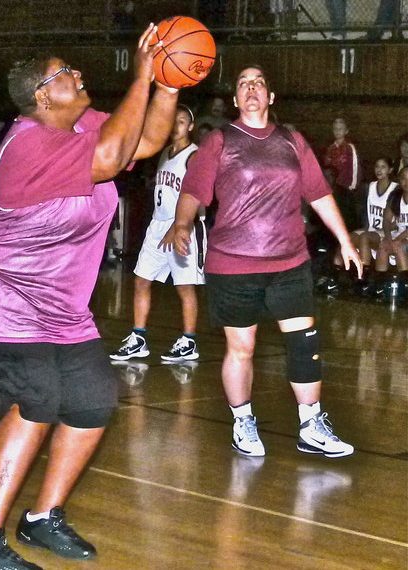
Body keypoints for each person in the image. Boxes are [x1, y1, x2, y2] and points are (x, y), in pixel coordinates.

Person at [0, 24, 179, 570]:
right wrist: (142, 71)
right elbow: (113, 156)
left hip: (58, 306)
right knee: (37, 399)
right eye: (66, 72)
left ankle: (43, 516)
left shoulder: (84, 125)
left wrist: (170, 82)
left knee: (93, 398)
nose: (78, 74)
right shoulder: (28, 144)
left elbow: (141, 142)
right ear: (42, 95)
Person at [161, 65, 360, 459]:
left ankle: (311, 424)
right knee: (242, 349)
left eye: (259, 83)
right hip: (234, 264)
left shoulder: (292, 140)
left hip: (289, 261)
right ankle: (242, 421)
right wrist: (182, 223)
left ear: (271, 97)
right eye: (243, 84)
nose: (251, 88)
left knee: (304, 343)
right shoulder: (219, 141)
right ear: (235, 100)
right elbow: (194, 190)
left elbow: (319, 193)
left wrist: (344, 239)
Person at [111, 104, 204, 363]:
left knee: (185, 287)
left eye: (182, 121)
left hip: (185, 225)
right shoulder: (164, 152)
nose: (176, 126)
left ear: (191, 127)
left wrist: (177, 226)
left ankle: (189, 341)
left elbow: (198, 195)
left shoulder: (194, 156)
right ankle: (138, 338)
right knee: (141, 280)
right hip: (158, 225)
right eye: (173, 121)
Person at [328, 156, 398, 295]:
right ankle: (333, 278)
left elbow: (397, 221)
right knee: (346, 239)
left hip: (389, 231)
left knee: (364, 237)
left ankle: (363, 279)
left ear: (390, 170)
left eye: (383, 167)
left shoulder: (396, 189)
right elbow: (365, 215)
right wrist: (363, 228)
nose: (379, 169)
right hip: (371, 229)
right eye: (377, 166)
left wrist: (379, 230)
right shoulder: (370, 186)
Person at [323, 117, 361, 230]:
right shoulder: (330, 148)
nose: (338, 131)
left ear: (346, 131)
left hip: (346, 190)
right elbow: (326, 168)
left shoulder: (350, 148)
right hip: (333, 190)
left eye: (341, 129)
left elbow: (356, 169)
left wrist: (351, 188)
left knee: (345, 220)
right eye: (335, 128)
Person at [376, 167, 408, 291]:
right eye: (403, 178)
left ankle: (404, 285)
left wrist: (397, 240)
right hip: (400, 235)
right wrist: (389, 239)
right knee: (383, 245)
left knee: (399, 246)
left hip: (404, 237)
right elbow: (386, 221)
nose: (406, 182)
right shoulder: (396, 197)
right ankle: (380, 285)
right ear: (399, 180)